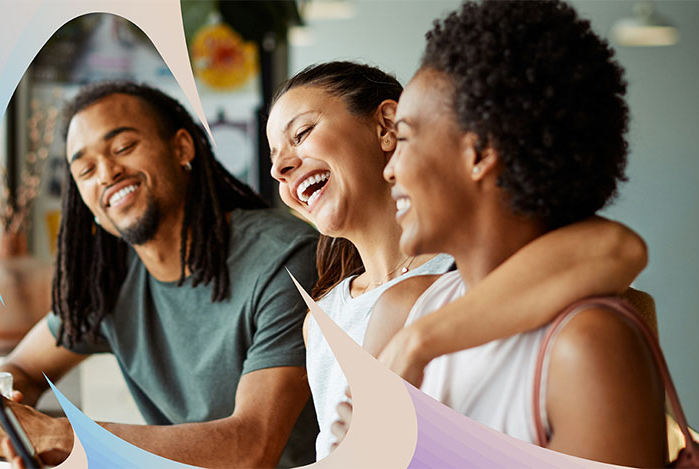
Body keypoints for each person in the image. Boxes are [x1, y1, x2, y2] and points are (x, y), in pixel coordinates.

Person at [266, 61, 649, 460]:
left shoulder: (476, 275)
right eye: (274, 157)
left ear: (387, 127)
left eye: (303, 133)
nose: (279, 168)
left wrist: (414, 344)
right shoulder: (320, 321)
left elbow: (615, 251)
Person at [343, 1, 667, 466]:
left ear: (480, 153)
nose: (390, 169)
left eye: (407, 137)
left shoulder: (586, 347)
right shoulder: (401, 314)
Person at [0, 82, 320, 468]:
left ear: (182, 148)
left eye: (123, 147)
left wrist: (50, 434)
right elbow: (21, 367)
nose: (106, 173)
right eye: (85, 169)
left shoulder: (285, 258)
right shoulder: (109, 280)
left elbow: (251, 448)